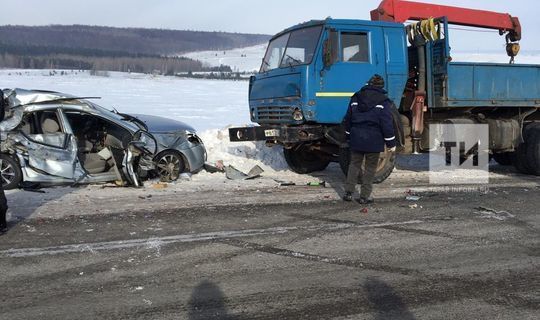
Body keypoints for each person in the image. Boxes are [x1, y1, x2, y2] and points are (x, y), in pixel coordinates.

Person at [342, 74, 396, 204]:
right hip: (374, 138)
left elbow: (348, 119)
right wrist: (391, 143)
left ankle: (348, 193)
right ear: (381, 86)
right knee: (370, 168)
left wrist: (348, 135)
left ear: (368, 84)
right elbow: (386, 124)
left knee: (354, 165)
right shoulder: (383, 101)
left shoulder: (356, 98)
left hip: (357, 136)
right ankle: (364, 196)